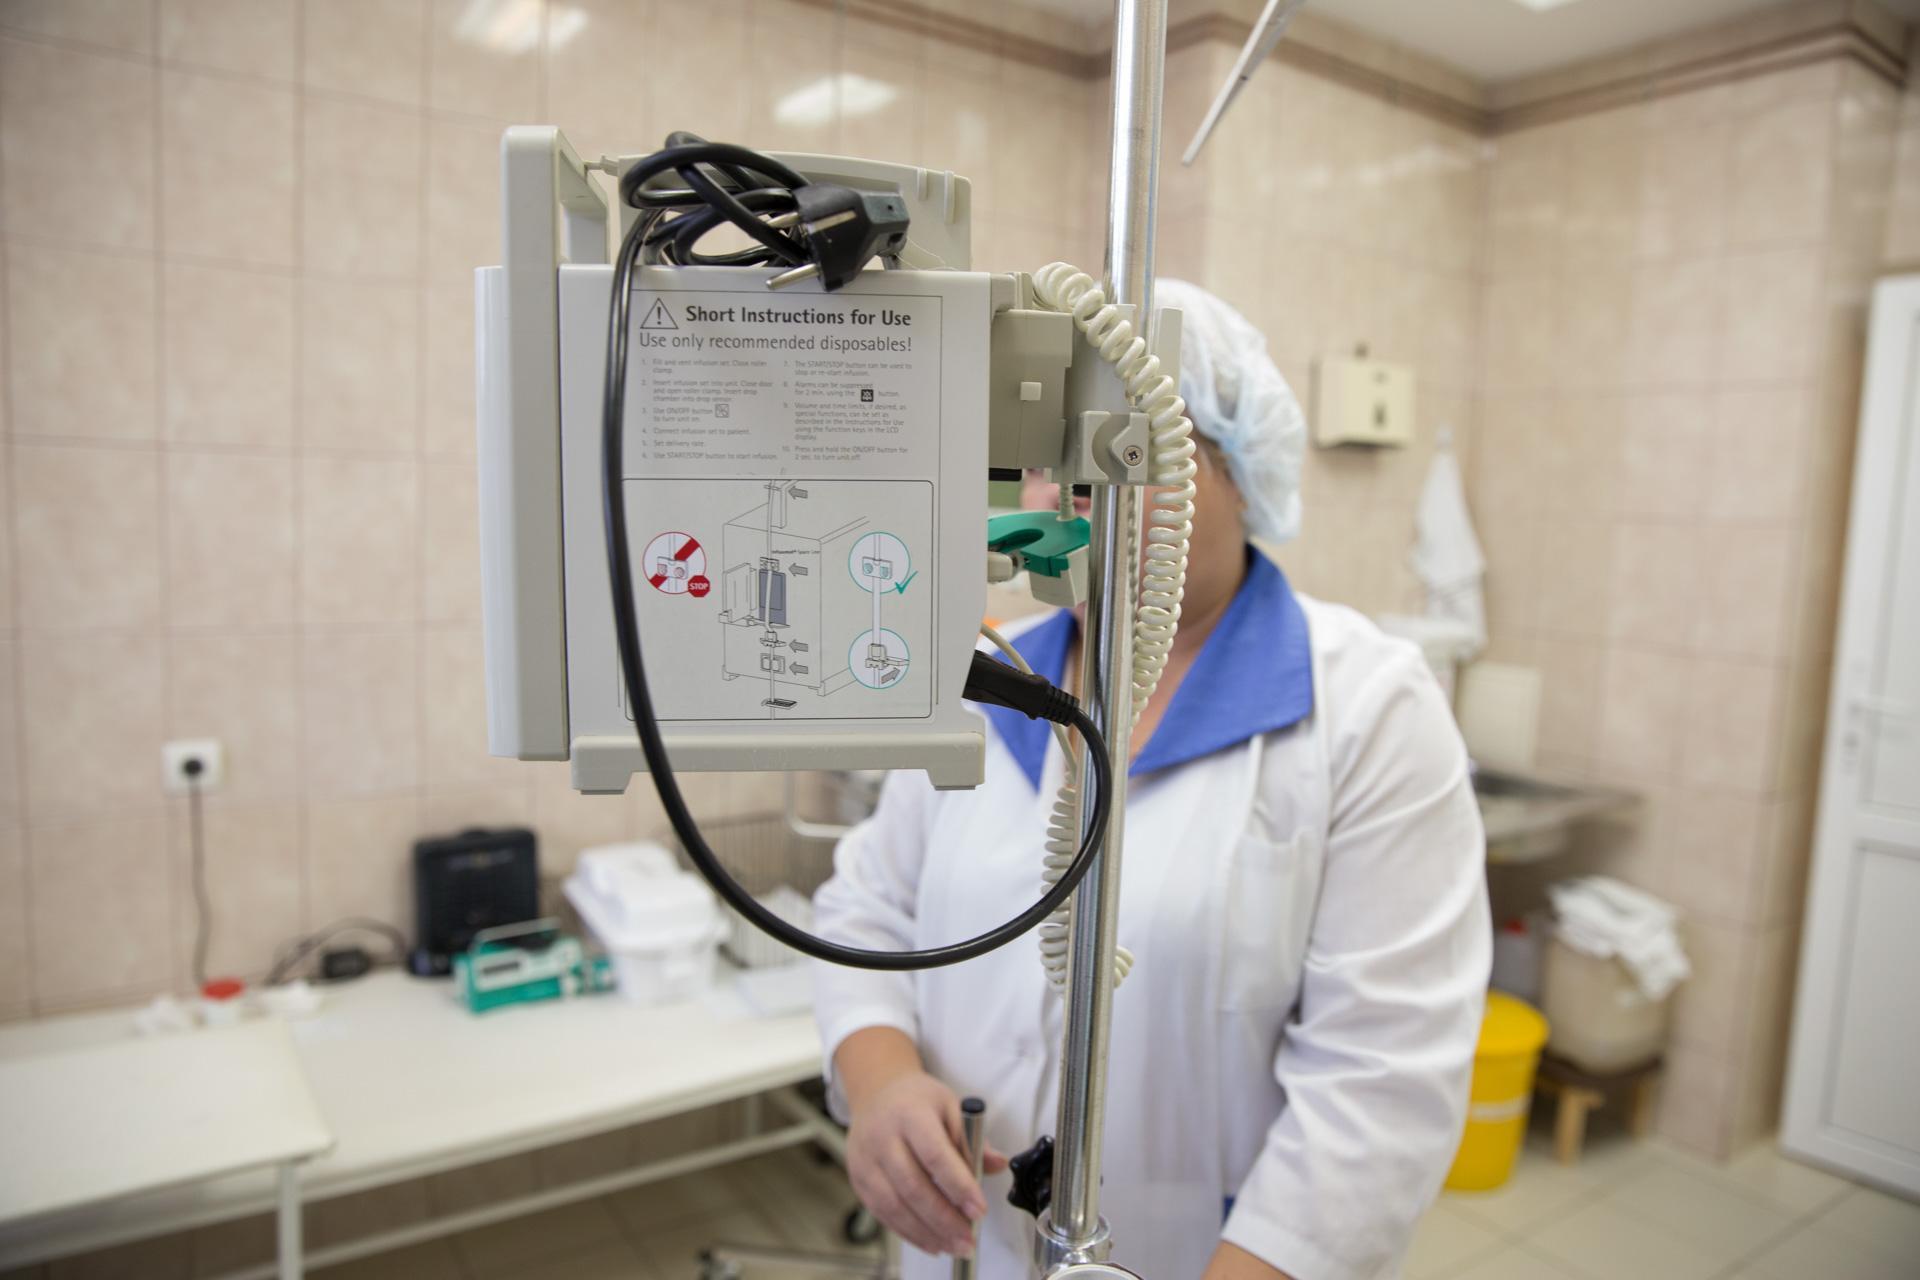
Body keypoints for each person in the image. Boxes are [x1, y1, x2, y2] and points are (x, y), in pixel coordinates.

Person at [811, 279, 1491, 1280]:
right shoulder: (983, 675)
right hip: (966, 1250)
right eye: (1048, 454)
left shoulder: (1368, 705)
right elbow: (866, 911)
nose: (1079, 483)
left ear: (1238, 468)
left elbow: (1381, 1081)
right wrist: (879, 1079)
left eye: (1135, 443)